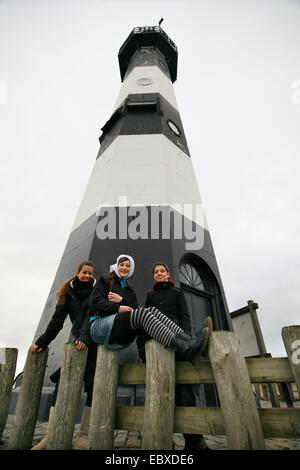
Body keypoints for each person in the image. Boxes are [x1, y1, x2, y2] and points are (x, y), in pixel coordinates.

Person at [137, 262, 213, 451]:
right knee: (161, 393)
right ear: (153, 276)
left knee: (186, 394)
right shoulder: (150, 296)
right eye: (156, 272)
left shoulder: (177, 293)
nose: (160, 273)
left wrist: (186, 338)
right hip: (159, 348)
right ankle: (160, 440)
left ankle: (195, 441)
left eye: (162, 271)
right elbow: (147, 320)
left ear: (168, 274)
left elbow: (185, 316)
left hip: (179, 345)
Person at [89, 254, 210, 367]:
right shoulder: (104, 281)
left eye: (128, 265)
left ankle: (191, 343)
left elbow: (134, 317)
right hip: (99, 328)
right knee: (144, 312)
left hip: (121, 335)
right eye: (122, 264)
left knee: (150, 311)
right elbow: (94, 302)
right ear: (116, 265)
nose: (124, 268)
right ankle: (187, 348)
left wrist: (121, 300)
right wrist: (118, 307)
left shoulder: (130, 293)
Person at [29, 260, 97, 450]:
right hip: (78, 344)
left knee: (93, 384)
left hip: (94, 343)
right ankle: (52, 434)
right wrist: (42, 341)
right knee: (61, 381)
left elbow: (93, 316)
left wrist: (84, 336)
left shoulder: (96, 291)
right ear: (78, 273)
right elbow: (57, 321)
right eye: (84, 273)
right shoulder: (68, 293)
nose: (87, 276)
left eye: (90, 273)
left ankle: (84, 436)